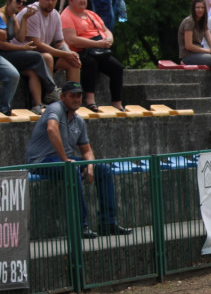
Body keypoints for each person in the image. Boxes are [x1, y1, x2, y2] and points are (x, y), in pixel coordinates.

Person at [24, 82, 131, 238]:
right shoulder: (55, 108)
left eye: (79, 96)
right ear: (62, 97)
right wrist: (65, 159)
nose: (76, 99)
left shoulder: (78, 120)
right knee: (72, 170)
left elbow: (86, 150)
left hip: (63, 160)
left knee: (104, 169)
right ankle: (81, 226)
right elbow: (52, 129)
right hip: (41, 160)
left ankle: (108, 223)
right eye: (72, 96)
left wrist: (90, 167)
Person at [60, 0, 124, 111]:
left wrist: (108, 40)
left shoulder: (91, 14)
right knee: (90, 63)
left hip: (99, 49)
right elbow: (71, 40)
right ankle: (90, 99)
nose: (83, 1)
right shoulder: (66, 16)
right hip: (80, 51)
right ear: (70, 0)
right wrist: (97, 43)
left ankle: (117, 102)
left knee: (117, 67)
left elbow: (106, 30)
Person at [0, 0, 58, 113]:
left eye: (23, 3)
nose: (20, 4)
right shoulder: (2, 15)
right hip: (0, 54)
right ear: (10, 0)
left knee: (33, 72)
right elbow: (0, 44)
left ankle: (37, 104)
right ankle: (51, 88)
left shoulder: (13, 15)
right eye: (18, 1)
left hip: (9, 53)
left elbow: (20, 37)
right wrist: (22, 48)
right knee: (36, 57)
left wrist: (24, 18)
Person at [19, 0, 82, 91]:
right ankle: (49, 94)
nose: (50, 2)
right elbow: (36, 44)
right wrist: (65, 54)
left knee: (73, 62)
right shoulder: (32, 12)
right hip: (24, 52)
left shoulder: (56, 14)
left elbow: (59, 41)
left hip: (41, 52)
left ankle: (73, 97)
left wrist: (69, 53)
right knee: (47, 57)